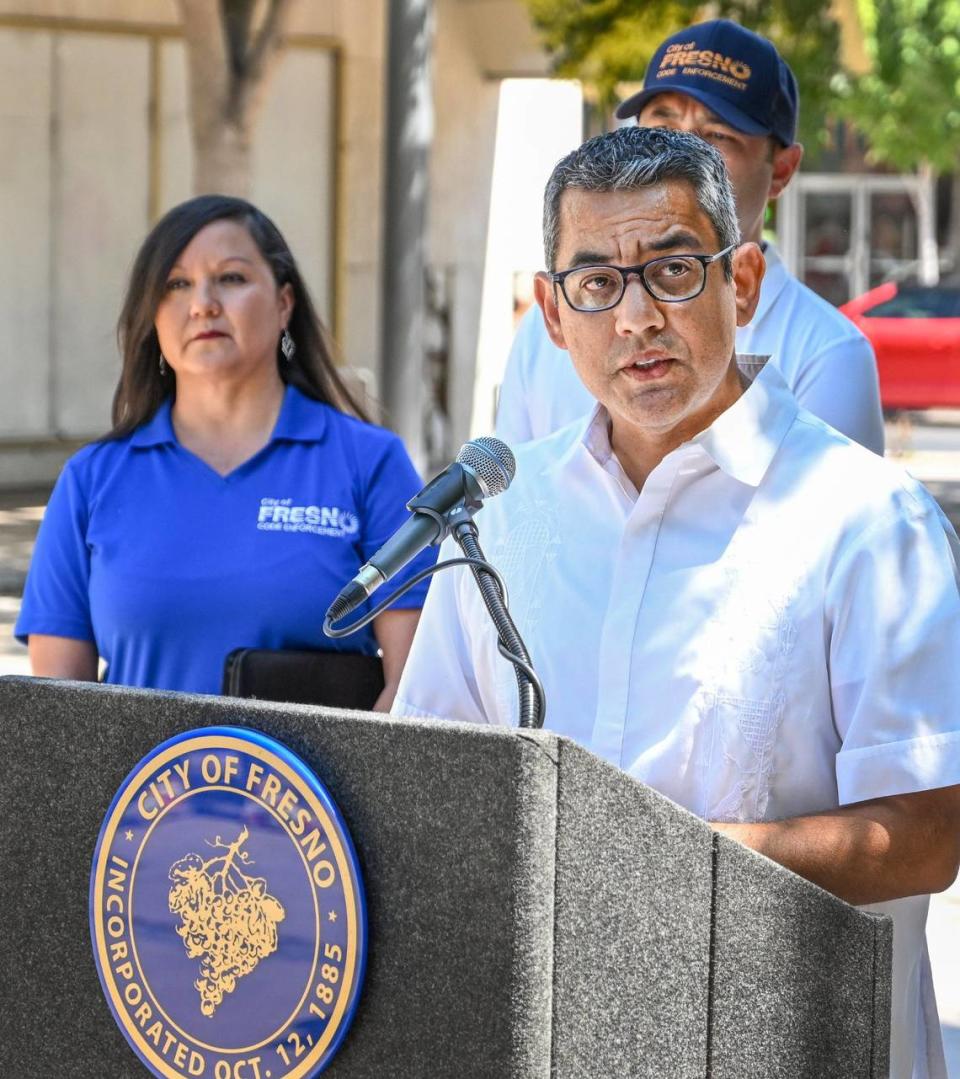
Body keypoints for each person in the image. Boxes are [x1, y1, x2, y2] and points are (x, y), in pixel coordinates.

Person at [393, 127, 960, 1078]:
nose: (636, 318)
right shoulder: (499, 513)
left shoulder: (867, 520)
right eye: (597, 283)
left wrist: (662, 861)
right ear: (551, 310)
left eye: (673, 271)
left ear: (740, 284)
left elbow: (929, 833)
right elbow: (436, 775)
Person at [16, 195, 434, 709]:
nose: (203, 304)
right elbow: (58, 715)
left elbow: (415, 690)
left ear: (284, 303)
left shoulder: (370, 464)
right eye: (177, 284)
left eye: (231, 278)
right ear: (152, 316)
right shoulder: (91, 480)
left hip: (317, 790)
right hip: (140, 790)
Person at [495, 19, 885, 456]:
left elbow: (834, 514)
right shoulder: (552, 324)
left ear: (781, 169)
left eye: (717, 135)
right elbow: (512, 502)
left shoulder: (826, 351)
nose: (680, 151)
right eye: (661, 125)